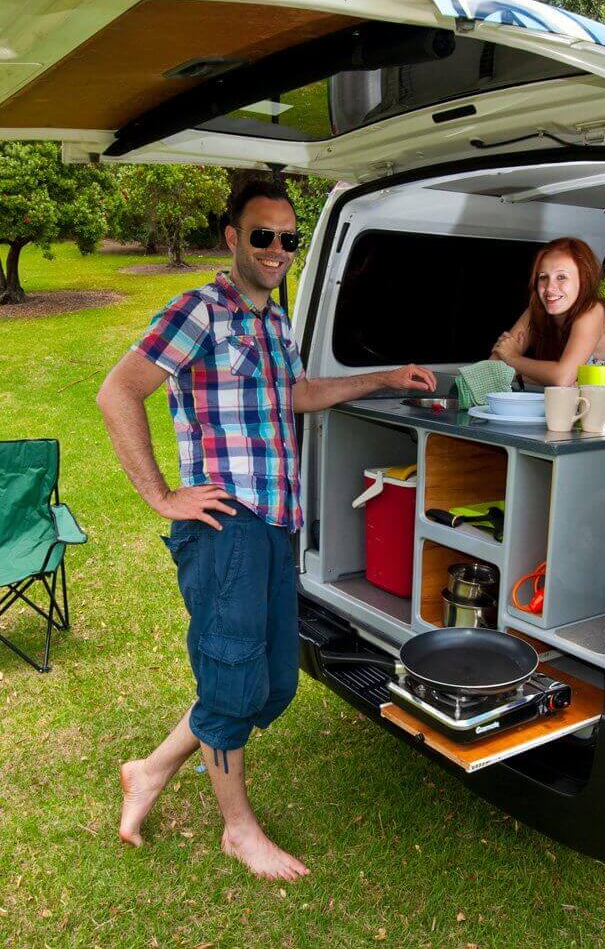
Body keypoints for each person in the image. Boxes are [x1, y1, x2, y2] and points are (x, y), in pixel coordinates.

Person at [96, 179, 435, 881]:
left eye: (288, 238)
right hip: (228, 528)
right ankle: (238, 830)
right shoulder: (201, 310)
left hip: (277, 524)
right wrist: (160, 495)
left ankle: (150, 770)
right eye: (263, 235)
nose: (277, 249)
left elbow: (296, 394)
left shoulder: (274, 321)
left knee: (273, 684)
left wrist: (381, 380)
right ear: (232, 237)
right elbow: (118, 390)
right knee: (232, 682)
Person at [491, 236, 605, 397]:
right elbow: (493, 368)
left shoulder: (592, 311)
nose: (549, 288)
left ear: (583, 280)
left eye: (561, 277)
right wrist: (541, 375)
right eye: (543, 277)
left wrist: (512, 358)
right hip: (568, 407)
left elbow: (562, 377)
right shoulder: (536, 310)